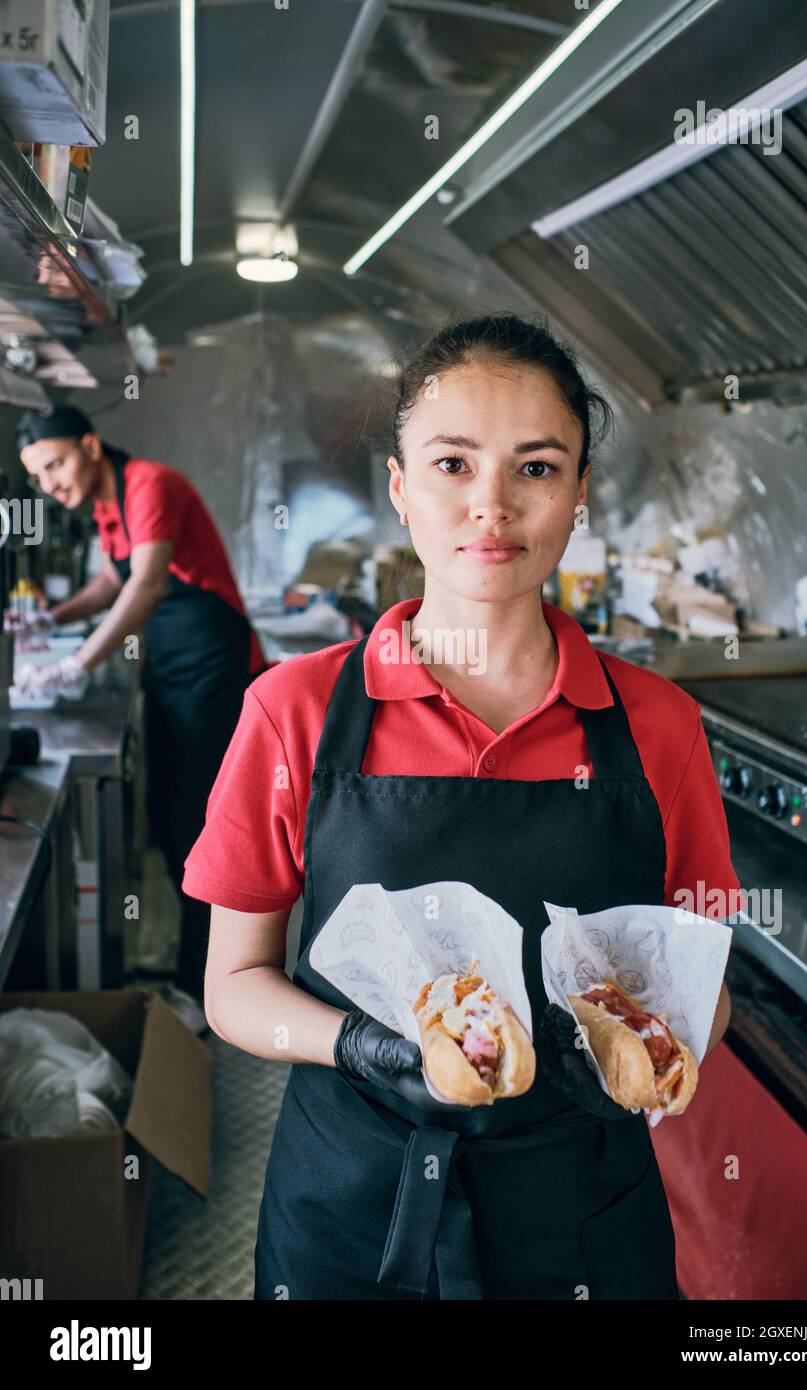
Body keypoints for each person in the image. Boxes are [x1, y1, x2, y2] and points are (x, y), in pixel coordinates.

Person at [182, 314, 741, 1300]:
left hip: (581, 1211)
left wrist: (654, 1041)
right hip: (351, 1199)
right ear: (399, 488)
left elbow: (705, 983)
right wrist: (359, 1042)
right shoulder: (296, 711)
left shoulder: (657, 724)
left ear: (576, 498)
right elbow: (232, 983)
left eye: (534, 469)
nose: (491, 505)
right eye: (451, 464)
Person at [14, 405, 267, 1033]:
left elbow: (148, 584)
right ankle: (192, 968)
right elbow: (112, 579)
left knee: (202, 827)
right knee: (171, 826)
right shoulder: (108, 500)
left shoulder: (149, 483)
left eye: (55, 465)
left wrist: (74, 664)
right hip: (173, 668)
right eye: (38, 478)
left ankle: (206, 989)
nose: (50, 485)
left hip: (211, 663)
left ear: (90, 446)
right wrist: (57, 616)